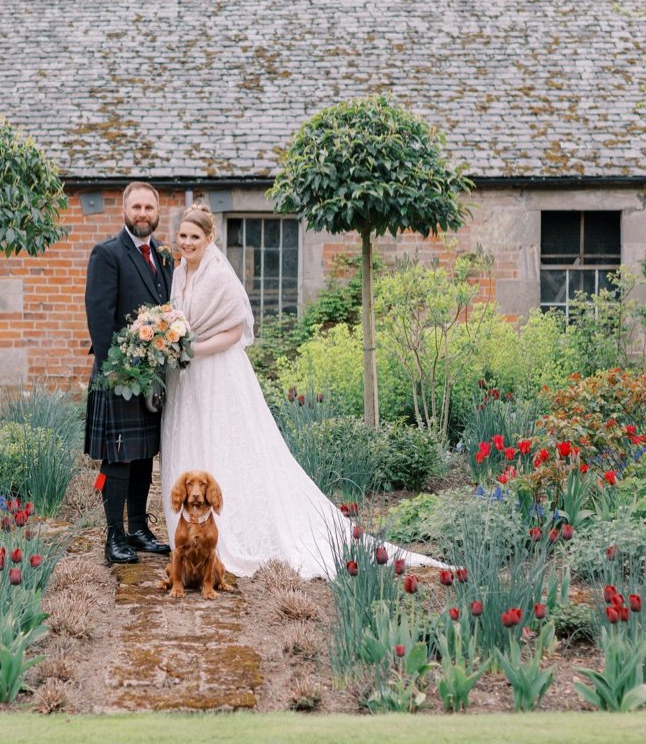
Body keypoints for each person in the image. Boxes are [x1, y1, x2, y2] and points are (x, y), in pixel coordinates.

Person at [160, 204, 441, 580]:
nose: (188, 243)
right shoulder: (179, 274)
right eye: (183, 236)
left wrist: (195, 350)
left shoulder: (219, 276)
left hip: (217, 374)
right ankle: (187, 533)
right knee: (193, 439)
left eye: (196, 237)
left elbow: (235, 331)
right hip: (187, 378)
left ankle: (224, 533)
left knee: (225, 444)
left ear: (210, 239)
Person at [84, 181, 174, 565]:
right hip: (118, 375)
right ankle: (114, 537)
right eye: (135, 206)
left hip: (151, 375)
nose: (142, 213)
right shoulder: (107, 254)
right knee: (119, 458)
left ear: (158, 212)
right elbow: (99, 317)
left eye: (148, 207)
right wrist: (114, 371)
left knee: (143, 456)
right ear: (124, 210)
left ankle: (138, 529)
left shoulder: (164, 257)